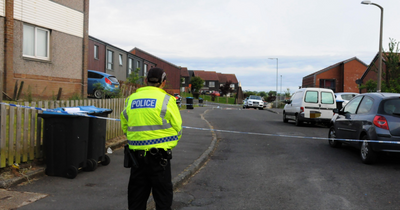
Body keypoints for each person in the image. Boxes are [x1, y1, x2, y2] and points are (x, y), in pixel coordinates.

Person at [120, 67, 183, 210]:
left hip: (136, 159)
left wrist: (138, 140)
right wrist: (168, 142)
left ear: (145, 81)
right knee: (163, 201)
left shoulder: (131, 99)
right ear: (163, 82)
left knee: (136, 200)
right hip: (160, 159)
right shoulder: (167, 100)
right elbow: (178, 129)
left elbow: (125, 125)